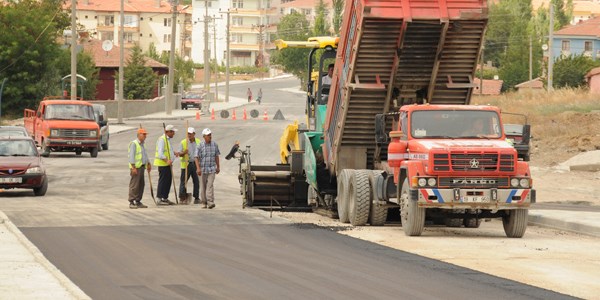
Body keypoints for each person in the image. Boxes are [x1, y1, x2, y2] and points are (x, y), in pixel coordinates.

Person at [195, 128, 220, 209]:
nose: (210, 136)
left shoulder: (214, 145)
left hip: (212, 169)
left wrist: (218, 167)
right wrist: (198, 168)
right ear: (204, 136)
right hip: (202, 169)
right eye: (208, 135)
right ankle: (204, 202)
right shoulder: (200, 145)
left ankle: (210, 201)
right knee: (203, 186)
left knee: (210, 185)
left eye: (210, 135)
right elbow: (196, 157)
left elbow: (216, 156)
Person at [154, 124, 177, 205]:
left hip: (168, 164)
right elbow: (160, 154)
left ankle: (165, 197)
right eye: (173, 132)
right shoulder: (162, 140)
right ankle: (159, 198)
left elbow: (168, 151)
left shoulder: (168, 140)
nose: (174, 134)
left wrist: (174, 155)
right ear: (168, 132)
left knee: (168, 181)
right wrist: (167, 160)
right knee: (163, 181)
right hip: (163, 164)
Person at [128, 128, 151, 209]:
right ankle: (131, 201)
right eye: (144, 134)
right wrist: (133, 167)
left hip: (142, 167)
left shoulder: (143, 144)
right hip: (136, 167)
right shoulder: (134, 144)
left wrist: (148, 163)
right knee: (134, 185)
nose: (145, 136)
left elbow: (145, 155)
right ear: (139, 135)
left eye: (145, 135)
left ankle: (138, 201)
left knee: (141, 185)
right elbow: (131, 156)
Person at [177, 127, 200, 205]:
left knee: (196, 181)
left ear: (194, 134)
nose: (189, 135)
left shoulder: (198, 142)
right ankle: (182, 197)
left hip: (195, 164)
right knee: (183, 182)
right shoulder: (183, 142)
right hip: (186, 165)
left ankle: (196, 198)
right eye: (188, 134)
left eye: (190, 134)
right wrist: (184, 152)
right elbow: (179, 154)